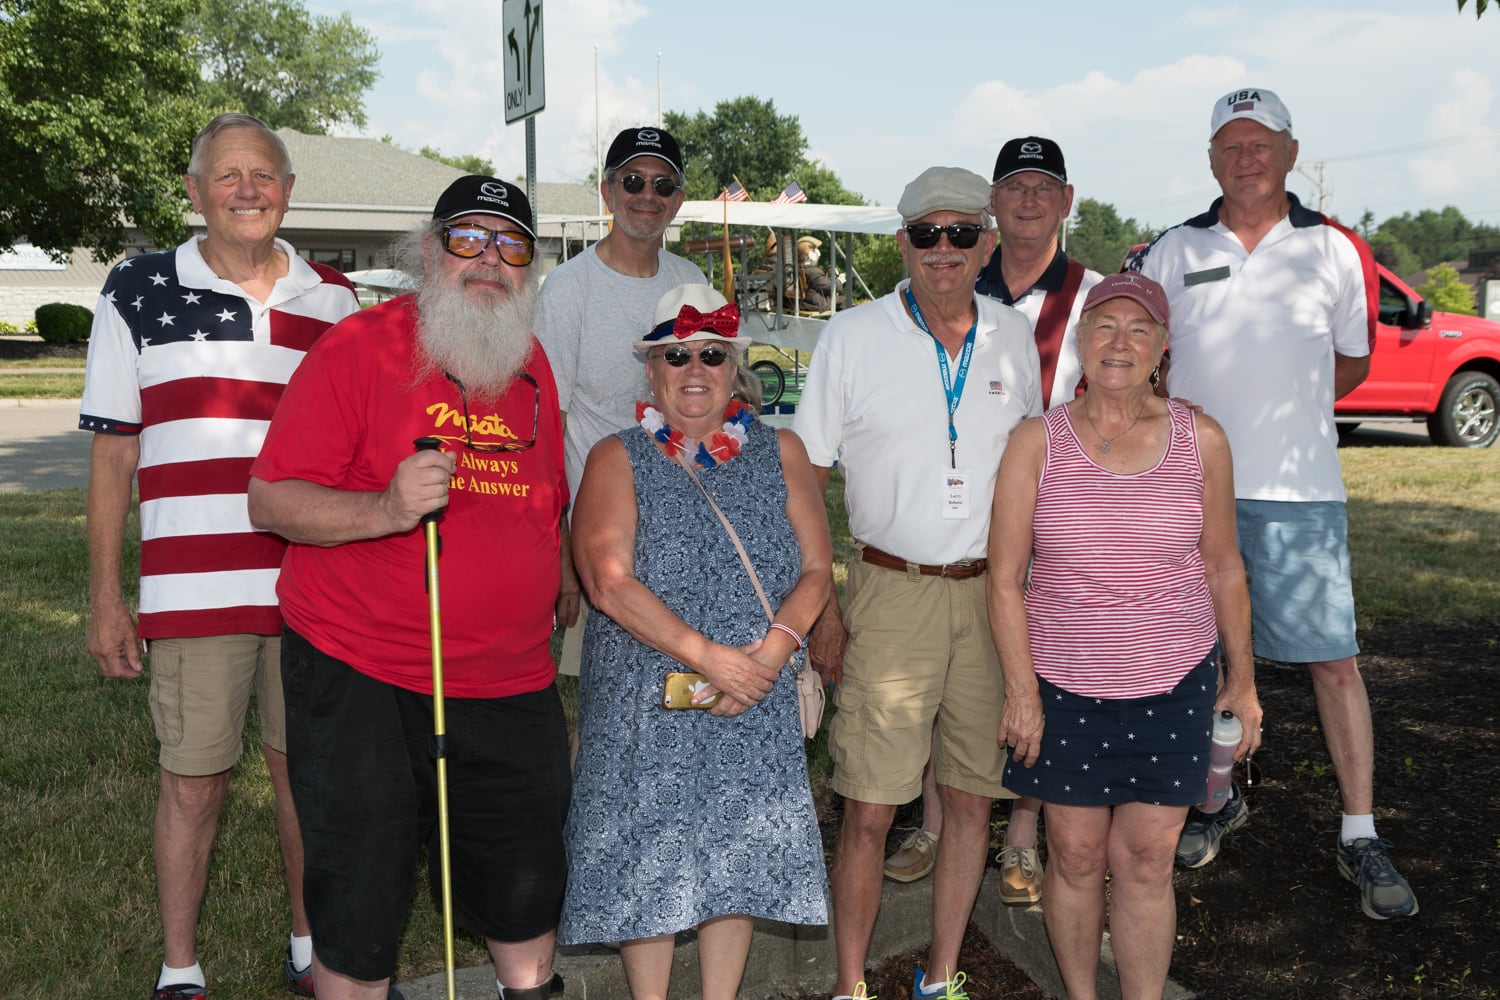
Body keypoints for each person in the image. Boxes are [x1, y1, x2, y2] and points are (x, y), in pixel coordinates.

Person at [247, 175, 570, 1000]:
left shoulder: (530, 363)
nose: (489, 259)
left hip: (511, 682)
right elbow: (272, 498)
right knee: (359, 901)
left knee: (526, 891)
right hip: (368, 672)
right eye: (468, 239)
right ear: (429, 252)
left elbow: (544, 503)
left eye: (511, 244)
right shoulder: (361, 347)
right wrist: (386, 507)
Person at [80, 112, 361, 1000]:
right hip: (193, 593)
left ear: (288, 190)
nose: (248, 189)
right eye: (227, 174)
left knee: (303, 782)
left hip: (313, 591)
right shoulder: (138, 290)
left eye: (265, 174)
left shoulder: (335, 301)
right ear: (195, 192)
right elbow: (114, 456)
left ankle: (309, 951)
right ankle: (180, 969)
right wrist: (105, 598)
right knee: (193, 784)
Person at [1132, 87, 1419, 921]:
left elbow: (1351, 366)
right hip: (1187, 495)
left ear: (1292, 153)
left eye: (1261, 143)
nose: (1245, 157)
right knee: (1198, 664)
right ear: (1211, 157)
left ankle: (1361, 831)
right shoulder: (1172, 250)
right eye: (1230, 144)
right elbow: (1141, 363)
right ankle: (1215, 801)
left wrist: (1280, 416)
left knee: (1333, 661)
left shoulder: (1334, 250)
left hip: (1301, 496)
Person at [794, 166, 1042, 1000]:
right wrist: (823, 598)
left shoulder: (1013, 337)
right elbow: (805, 475)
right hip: (888, 589)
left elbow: (1034, 472)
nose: (944, 250)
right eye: (927, 234)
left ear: (988, 244)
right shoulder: (852, 337)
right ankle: (850, 986)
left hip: (990, 594)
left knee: (973, 800)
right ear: (902, 242)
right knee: (869, 805)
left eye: (963, 233)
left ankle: (941, 977)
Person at [988, 272, 1262, 998]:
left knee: (1147, 859)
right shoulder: (1034, 442)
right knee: (1074, 856)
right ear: (1079, 341)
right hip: (1064, 686)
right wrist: (1022, 694)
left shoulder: (1200, 439)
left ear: (1162, 347)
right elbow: (1004, 579)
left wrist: (1244, 679)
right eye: (1104, 325)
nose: (1119, 342)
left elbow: (1225, 566)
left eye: (1139, 328)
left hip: (1174, 681)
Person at [558, 284, 832, 1000]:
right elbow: (608, 582)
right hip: (650, 697)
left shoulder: (782, 450)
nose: (694, 370)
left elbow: (815, 569)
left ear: (733, 365)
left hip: (754, 691)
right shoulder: (617, 457)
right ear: (651, 370)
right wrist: (711, 658)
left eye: (711, 354)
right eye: (676, 355)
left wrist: (768, 659)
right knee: (650, 856)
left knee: (735, 860)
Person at [886, 136, 1104, 904]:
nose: (1028, 201)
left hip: (1057, 514)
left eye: (1044, 188)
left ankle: (1022, 838)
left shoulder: (1093, 294)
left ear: (1066, 201)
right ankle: (938, 824)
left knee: (1037, 671)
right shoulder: (952, 282)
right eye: (1014, 187)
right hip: (961, 524)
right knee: (954, 677)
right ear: (991, 208)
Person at [533, 126, 707, 679]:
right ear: (608, 191)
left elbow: (717, 408)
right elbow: (545, 433)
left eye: (663, 184)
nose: (647, 196)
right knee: (608, 706)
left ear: (677, 201)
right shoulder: (567, 289)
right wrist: (565, 561)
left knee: (687, 688)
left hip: (684, 525)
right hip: (603, 538)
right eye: (633, 180)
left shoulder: (692, 282)